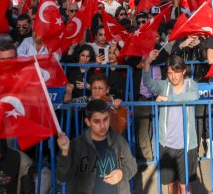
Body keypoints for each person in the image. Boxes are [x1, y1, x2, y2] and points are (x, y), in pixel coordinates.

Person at [142, 51, 200, 194]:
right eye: (169, 73)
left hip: (186, 145)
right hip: (167, 144)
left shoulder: (191, 84)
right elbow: (149, 83)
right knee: (170, 185)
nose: (173, 76)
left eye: (177, 72)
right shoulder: (164, 85)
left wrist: (169, 99)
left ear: (184, 71)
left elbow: (194, 96)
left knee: (185, 186)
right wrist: (147, 63)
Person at [57, 99, 137, 194]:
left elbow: (132, 165)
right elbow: (63, 176)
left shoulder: (119, 141)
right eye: (97, 121)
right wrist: (65, 152)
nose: (102, 125)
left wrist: (122, 173)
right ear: (88, 122)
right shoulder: (78, 144)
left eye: (105, 119)